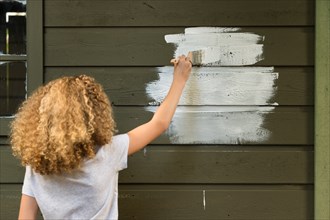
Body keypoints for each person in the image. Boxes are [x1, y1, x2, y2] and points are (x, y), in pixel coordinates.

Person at [10, 54, 192, 220]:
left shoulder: (36, 162)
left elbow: (25, 217)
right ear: (93, 115)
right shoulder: (109, 152)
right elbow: (159, 123)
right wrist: (180, 79)